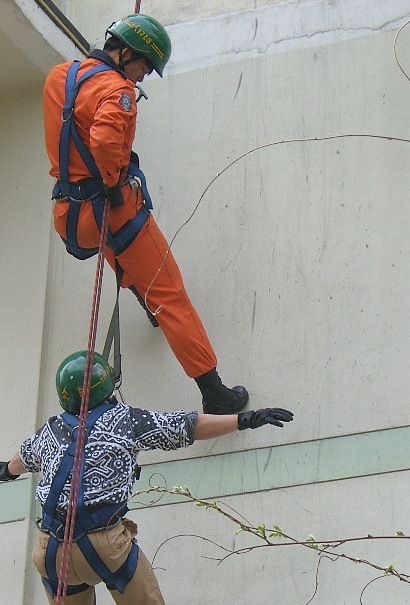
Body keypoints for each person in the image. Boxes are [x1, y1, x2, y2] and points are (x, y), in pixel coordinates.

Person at [0, 351, 293, 605]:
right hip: (104, 545)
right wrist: (244, 420)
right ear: (105, 387)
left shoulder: (50, 431)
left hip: (50, 551)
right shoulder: (125, 420)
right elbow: (187, 427)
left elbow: (19, 461)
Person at [43, 14, 250, 415]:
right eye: (143, 68)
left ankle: (140, 293)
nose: (141, 79)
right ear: (127, 54)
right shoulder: (117, 90)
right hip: (114, 212)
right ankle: (215, 393)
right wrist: (113, 178)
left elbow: (71, 132)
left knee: (125, 259)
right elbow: (104, 139)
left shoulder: (59, 76)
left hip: (71, 216)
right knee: (170, 295)